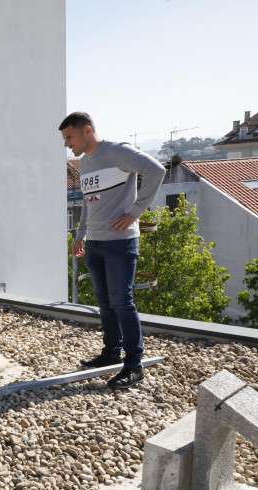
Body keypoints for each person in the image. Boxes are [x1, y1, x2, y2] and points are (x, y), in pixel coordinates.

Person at [60, 111, 165, 389]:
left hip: (121, 243)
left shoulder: (117, 152)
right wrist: (80, 235)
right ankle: (110, 354)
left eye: (69, 136)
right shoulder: (84, 164)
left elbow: (156, 170)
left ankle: (134, 366)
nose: (66, 143)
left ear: (87, 130)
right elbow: (89, 202)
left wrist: (135, 212)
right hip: (94, 243)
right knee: (105, 304)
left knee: (122, 302)